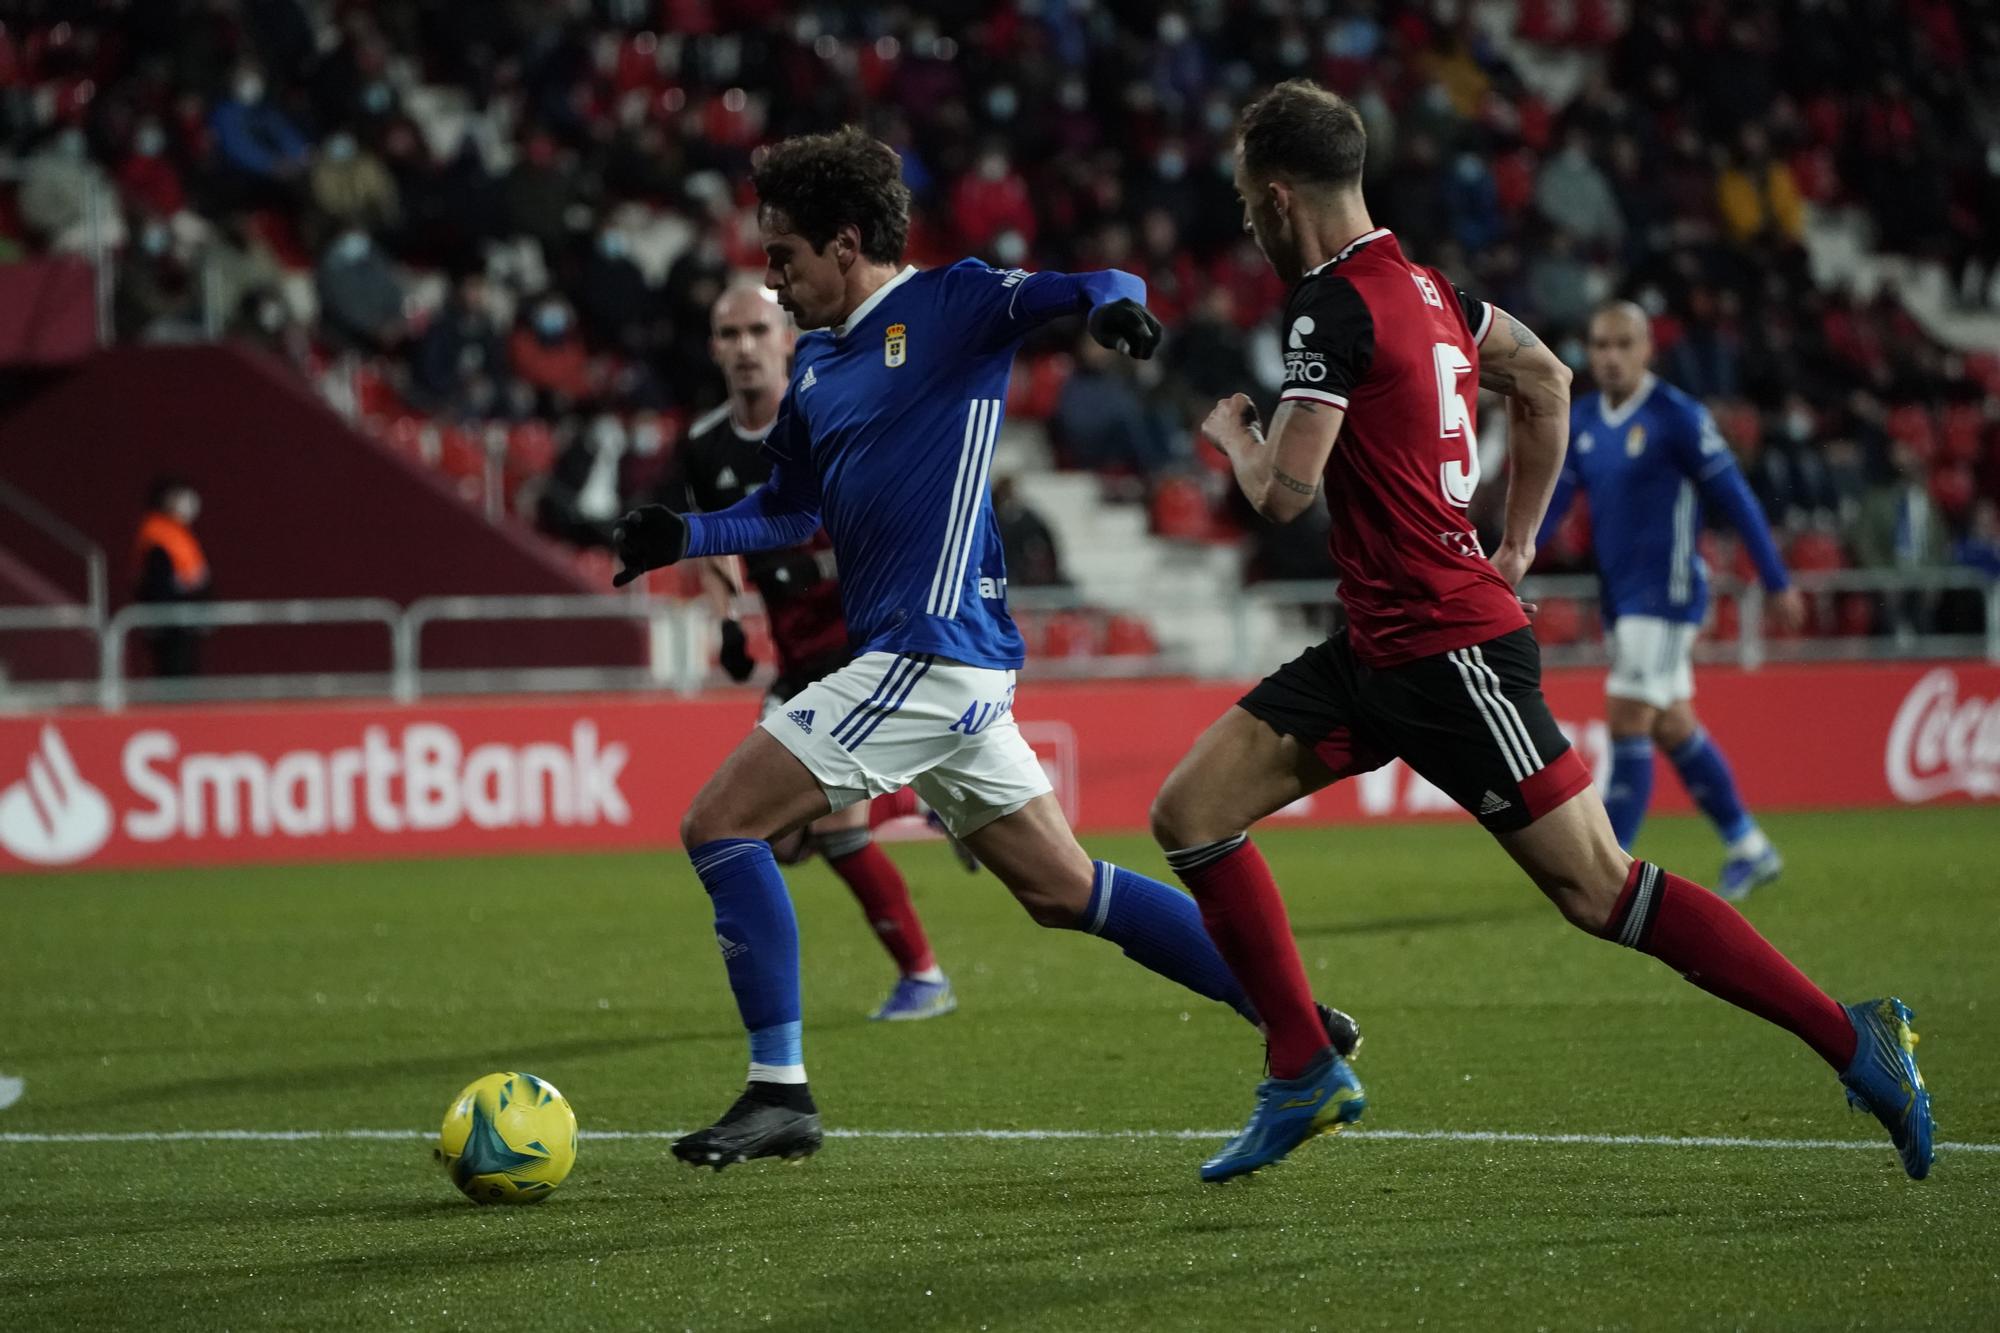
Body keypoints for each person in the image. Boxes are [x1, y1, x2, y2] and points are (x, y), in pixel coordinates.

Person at [1148, 81, 1930, 1184]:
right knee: (1189, 811)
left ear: (1278, 196)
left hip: (1445, 653)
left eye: (1244, 203)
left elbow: (1284, 494)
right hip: (1380, 646)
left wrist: (1231, 437)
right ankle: (1302, 1062)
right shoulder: (1432, 293)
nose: (1244, 224)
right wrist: (1510, 542)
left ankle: (1856, 1038)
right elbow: (1546, 380)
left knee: (1598, 889)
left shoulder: (1328, 306)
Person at [610, 126, 1358, 1171]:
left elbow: (1094, 278)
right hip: (937, 663)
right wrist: (683, 536)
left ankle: (778, 1090)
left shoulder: (950, 303)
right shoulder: (819, 365)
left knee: (718, 822)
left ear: (842, 241)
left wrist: (1111, 306)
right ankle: (1298, 1026)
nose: (773, 286)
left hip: (929, 652)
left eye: (782, 258)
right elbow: (785, 510)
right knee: (1064, 889)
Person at [655, 284, 962, 1022]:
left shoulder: (832, 414)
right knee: (781, 838)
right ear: (713, 348)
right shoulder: (704, 443)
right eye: (727, 335)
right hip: (794, 657)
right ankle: (925, 796)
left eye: (757, 330)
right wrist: (726, 619)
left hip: (863, 645)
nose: (744, 347)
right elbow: (716, 537)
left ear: (787, 338)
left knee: (830, 825)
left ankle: (923, 975)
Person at [1536, 302, 1804, 897]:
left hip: (1666, 590)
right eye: (1599, 345)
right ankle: (1749, 846)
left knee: (1627, 714)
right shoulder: (1583, 419)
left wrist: (1776, 578)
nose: (1607, 357)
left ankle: (1606, 868)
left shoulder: (1676, 416)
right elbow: (1558, 500)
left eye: (1620, 345)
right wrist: (1516, 551)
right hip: (1620, 595)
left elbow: (1735, 498)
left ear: (1646, 349)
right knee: (1673, 724)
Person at [133, 478, 210, 678]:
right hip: (170, 623)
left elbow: (195, 576)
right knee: (172, 678)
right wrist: (161, 622)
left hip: (183, 622)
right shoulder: (158, 534)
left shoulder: (179, 533)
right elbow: (158, 583)